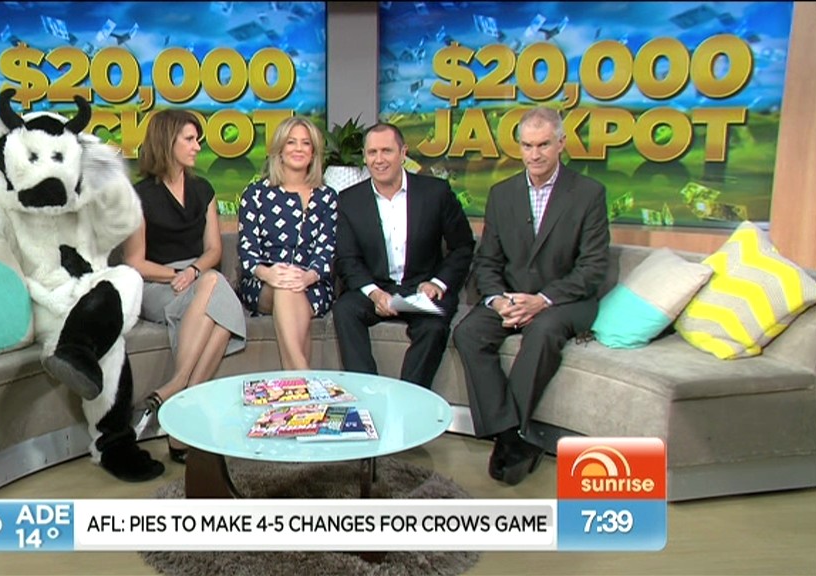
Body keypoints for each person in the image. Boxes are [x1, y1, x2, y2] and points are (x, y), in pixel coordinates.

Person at [452, 106, 610, 486]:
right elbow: (488, 260)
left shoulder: (588, 194)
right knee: (468, 333)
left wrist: (542, 300)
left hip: (564, 301)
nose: (534, 154)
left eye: (543, 145)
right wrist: (498, 300)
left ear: (561, 144)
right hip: (510, 296)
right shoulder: (502, 194)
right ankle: (512, 436)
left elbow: (592, 268)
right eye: (527, 146)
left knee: (542, 332)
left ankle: (509, 438)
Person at [124, 108, 247, 464]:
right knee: (218, 300)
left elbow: (214, 251)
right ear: (168, 142)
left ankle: (178, 398)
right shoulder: (139, 196)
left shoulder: (202, 190)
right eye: (190, 139)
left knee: (215, 293)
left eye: (198, 140)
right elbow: (135, 262)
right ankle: (181, 401)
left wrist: (193, 271)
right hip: (157, 283)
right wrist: (175, 274)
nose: (197, 147)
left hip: (198, 277)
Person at [332, 122, 475, 389]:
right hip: (378, 287)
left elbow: (463, 246)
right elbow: (347, 259)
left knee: (434, 326)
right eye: (372, 152)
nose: (379, 159)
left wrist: (437, 283)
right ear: (365, 157)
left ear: (403, 153)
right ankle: (367, 392)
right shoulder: (350, 200)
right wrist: (374, 294)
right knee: (345, 310)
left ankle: (409, 397)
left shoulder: (436, 193)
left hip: (422, 288)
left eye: (386, 151)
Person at [237, 116, 338, 369]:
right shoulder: (256, 194)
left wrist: (307, 277)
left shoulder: (327, 197)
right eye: (291, 142)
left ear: (313, 152)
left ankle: (297, 378)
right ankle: (305, 374)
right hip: (263, 283)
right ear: (279, 149)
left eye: (306, 143)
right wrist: (269, 274)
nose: (298, 148)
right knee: (284, 287)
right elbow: (247, 250)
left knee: (290, 288)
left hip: (313, 284)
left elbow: (327, 249)